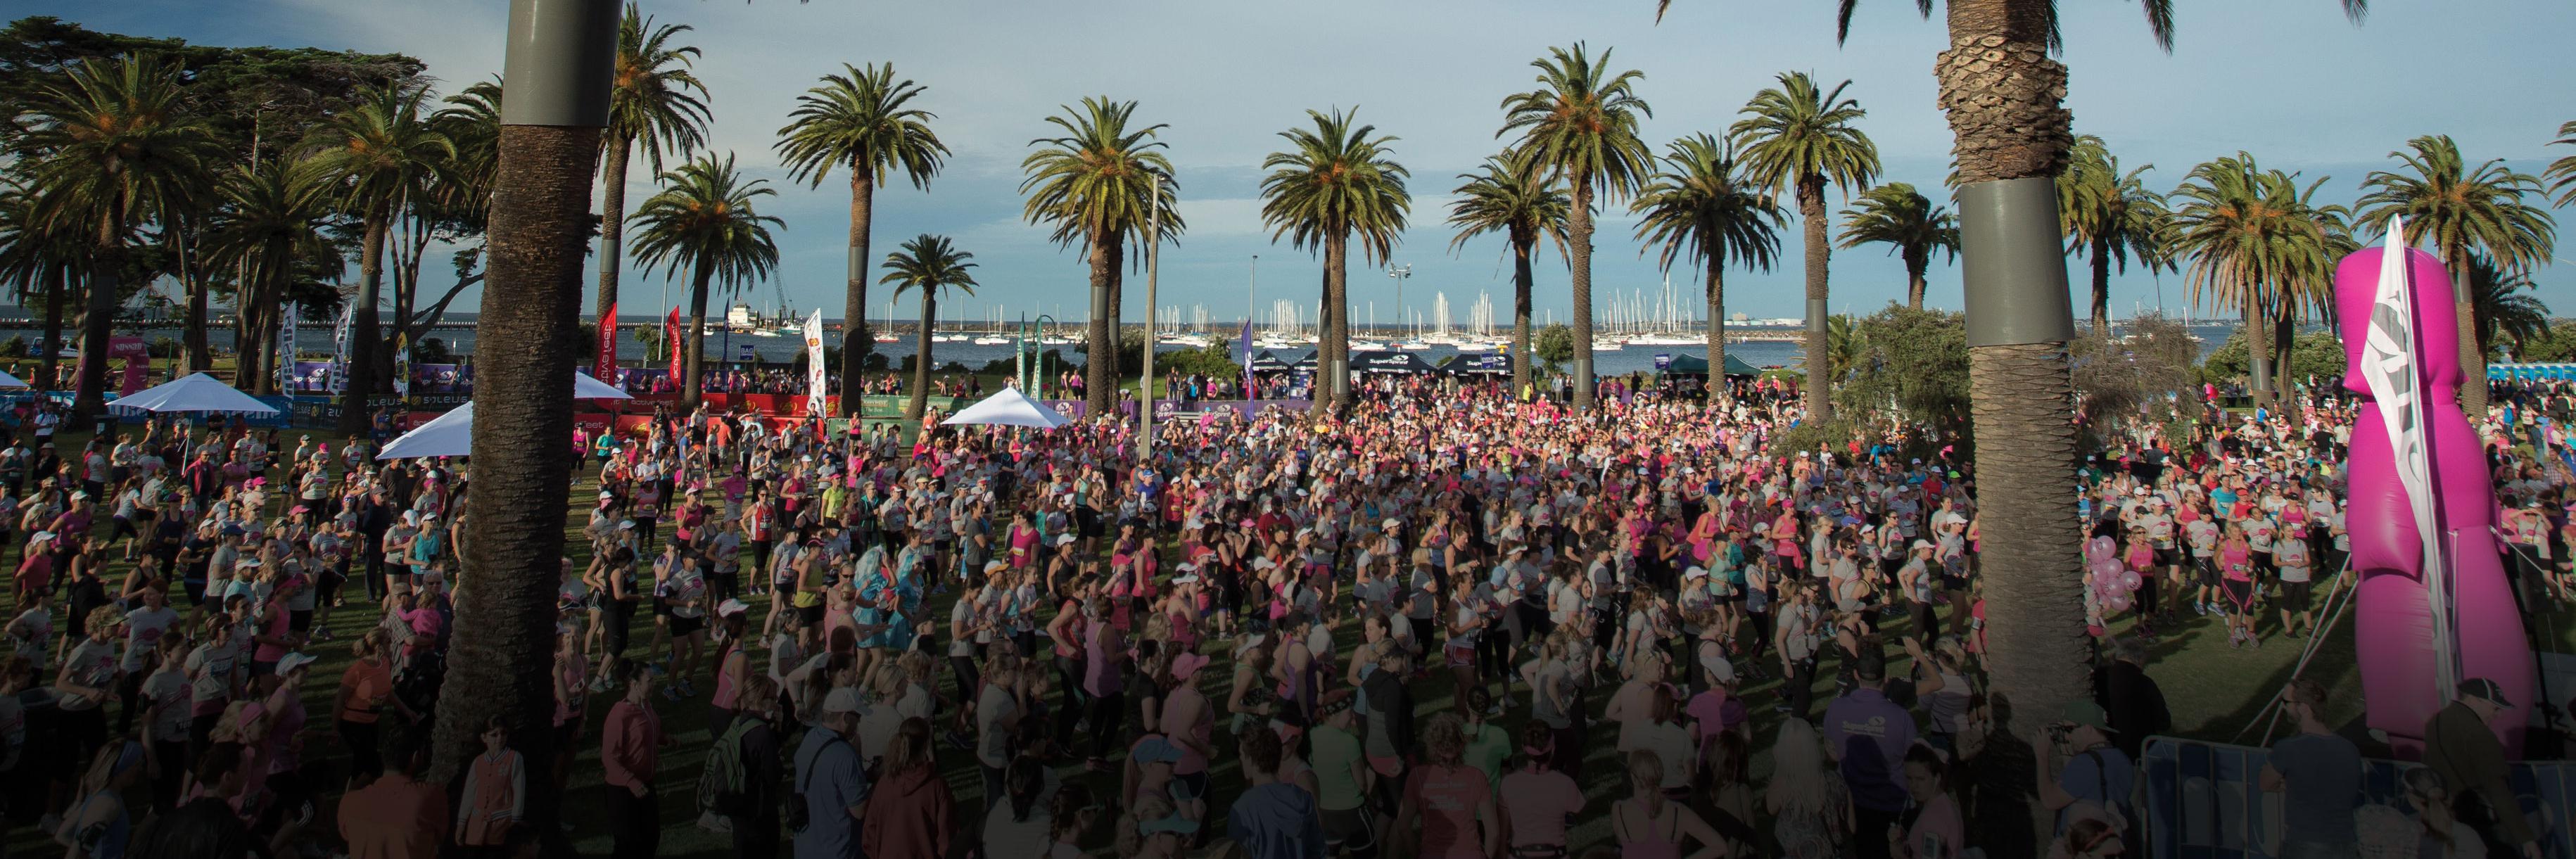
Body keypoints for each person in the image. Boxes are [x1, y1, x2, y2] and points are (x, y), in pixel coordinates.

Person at [2421, 678, 2539, 859]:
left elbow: (2428, 765)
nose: (2498, 715)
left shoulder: (2434, 723)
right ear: (2474, 699)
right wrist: (2526, 838)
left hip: (2442, 820)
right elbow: (2498, 790)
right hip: (2480, 824)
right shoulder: (2480, 733)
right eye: (2495, 707)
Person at [1822, 651, 1915, 859]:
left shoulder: (1836, 708)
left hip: (1848, 807)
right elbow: (1913, 764)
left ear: (1856, 675)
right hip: (1890, 806)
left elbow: (1830, 756)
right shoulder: (1901, 717)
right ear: (1887, 677)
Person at [2259, 678, 2361, 859]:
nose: (2284, 707)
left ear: (2304, 708)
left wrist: (2285, 785)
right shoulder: (2350, 749)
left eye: (2287, 703)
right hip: (2347, 845)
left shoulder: (2289, 748)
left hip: (2307, 844)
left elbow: (2265, 783)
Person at [1391, 713, 1495, 859]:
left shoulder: (1417, 777)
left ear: (1432, 744)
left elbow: (1403, 827)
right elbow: (1493, 831)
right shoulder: (1477, 777)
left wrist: (1417, 855)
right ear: (1462, 743)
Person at [337, 727, 447, 859]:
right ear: (415, 757)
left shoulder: (349, 802)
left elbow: (346, 834)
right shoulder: (430, 796)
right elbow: (440, 836)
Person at [860, 717, 956, 859]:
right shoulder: (936, 786)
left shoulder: (885, 783)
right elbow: (947, 836)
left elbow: (869, 833)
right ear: (926, 745)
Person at [600, 661, 666, 859]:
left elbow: (649, 729)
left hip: (645, 785)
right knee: (627, 845)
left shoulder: (646, 705)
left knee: (651, 837)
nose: (654, 684)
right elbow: (609, 758)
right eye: (650, 680)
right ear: (634, 684)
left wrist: (664, 739)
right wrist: (631, 781)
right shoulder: (620, 715)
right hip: (623, 791)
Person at [2038, 701, 2133, 837]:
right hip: (2109, 843)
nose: (2068, 736)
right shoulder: (2121, 758)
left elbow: (2049, 800)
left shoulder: (2085, 764)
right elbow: (2085, 788)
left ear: (2088, 728)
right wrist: (2068, 754)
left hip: (2083, 846)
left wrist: (2042, 755)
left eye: (2070, 729)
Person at [1229, 725, 1325, 859]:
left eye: (1241, 755)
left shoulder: (1242, 810)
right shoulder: (1303, 798)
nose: (1240, 760)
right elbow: (1317, 850)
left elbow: (1240, 855)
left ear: (1250, 759)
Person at [1611, 749, 1727, 859]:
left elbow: (1619, 847)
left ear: (1634, 778)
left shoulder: (1619, 810)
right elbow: (1720, 847)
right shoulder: (1678, 812)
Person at [795, 687, 869, 859]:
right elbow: (860, 811)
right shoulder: (845, 755)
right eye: (857, 717)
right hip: (838, 849)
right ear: (845, 717)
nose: (858, 723)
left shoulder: (810, 738)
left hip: (806, 846)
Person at [1500, 721, 1585, 859]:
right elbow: (1579, 807)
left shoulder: (1508, 784)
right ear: (1553, 750)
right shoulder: (1565, 784)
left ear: (1523, 748)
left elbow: (1503, 831)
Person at [453, 716, 526, 853]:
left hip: (501, 826)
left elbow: (519, 791)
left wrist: (515, 821)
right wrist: (461, 824)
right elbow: (469, 795)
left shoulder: (514, 758)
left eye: (503, 734)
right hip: (476, 825)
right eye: (494, 735)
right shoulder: (478, 762)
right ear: (484, 738)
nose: (499, 738)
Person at [2091, 638, 2168, 762]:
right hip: (2138, 750)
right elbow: (2163, 722)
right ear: (2139, 659)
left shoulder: (2100, 677)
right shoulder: (2144, 683)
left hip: (2106, 747)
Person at [1891, 745, 1963, 859]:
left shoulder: (1935, 819)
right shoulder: (1941, 803)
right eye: (1909, 778)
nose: (1913, 786)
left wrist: (1898, 855)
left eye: (1921, 779)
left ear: (1937, 778)